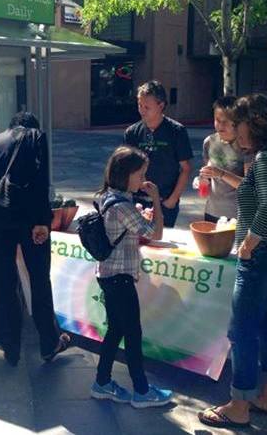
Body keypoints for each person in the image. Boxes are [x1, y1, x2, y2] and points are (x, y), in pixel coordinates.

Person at [198, 94, 267, 429]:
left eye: (237, 122)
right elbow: (263, 196)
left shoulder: (265, 159)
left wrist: (249, 244)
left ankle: (238, 405)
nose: (234, 131)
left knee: (242, 330)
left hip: (261, 257)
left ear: (253, 123)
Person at [0, 111, 69, 366]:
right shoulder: (36, 137)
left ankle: (10, 348)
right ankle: (49, 344)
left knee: (4, 285)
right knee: (39, 281)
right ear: (32, 127)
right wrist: (42, 221)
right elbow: (42, 183)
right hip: (30, 223)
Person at [90, 145, 173, 408]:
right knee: (132, 334)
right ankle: (141, 391)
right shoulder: (123, 206)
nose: (143, 179)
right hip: (120, 277)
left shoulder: (107, 196)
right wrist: (157, 200)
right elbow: (156, 233)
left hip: (108, 274)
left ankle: (102, 383)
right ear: (125, 174)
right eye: (140, 173)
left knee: (115, 330)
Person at [124, 81, 193, 227]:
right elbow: (126, 169)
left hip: (165, 201)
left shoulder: (177, 131)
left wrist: (172, 200)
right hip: (137, 202)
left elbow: (186, 168)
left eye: (147, 107)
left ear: (161, 105)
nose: (142, 110)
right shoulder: (132, 133)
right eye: (139, 105)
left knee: (161, 244)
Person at [198, 96, 252, 222]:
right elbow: (208, 179)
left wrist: (221, 173)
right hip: (212, 211)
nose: (221, 126)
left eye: (226, 121)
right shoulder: (209, 142)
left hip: (237, 216)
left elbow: (249, 186)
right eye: (217, 120)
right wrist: (202, 180)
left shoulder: (245, 145)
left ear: (237, 122)